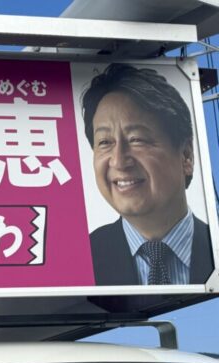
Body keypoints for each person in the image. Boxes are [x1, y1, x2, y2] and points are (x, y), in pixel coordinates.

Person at [82, 62, 213, 286]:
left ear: (186, 156)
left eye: (137, 139)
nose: (119, 161)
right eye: (105, 142)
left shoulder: (214, 248)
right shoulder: (79, 258)